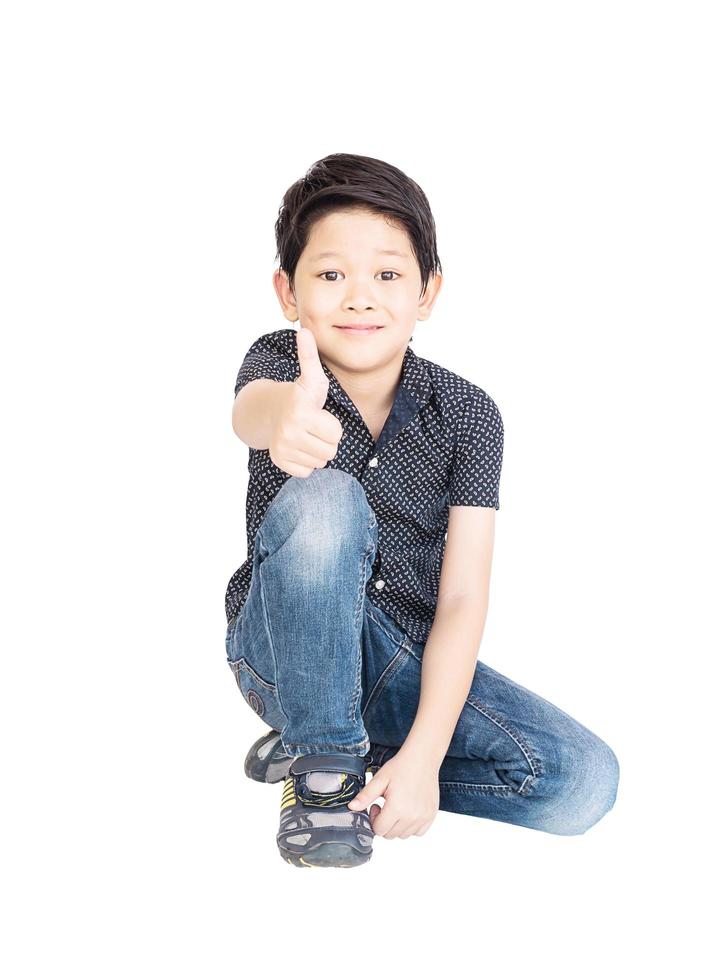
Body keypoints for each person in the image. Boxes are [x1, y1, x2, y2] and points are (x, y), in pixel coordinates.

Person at [225, 152, 619, 868]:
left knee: (583, 785)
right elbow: (252, 413)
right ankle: (323, 773)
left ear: (428, 291)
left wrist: (426, 759)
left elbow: (464, 596)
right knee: (324, 498)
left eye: (387, 275)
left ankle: (342, 745)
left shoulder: (469, 415)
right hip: (279, 648)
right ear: (288, 292)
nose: (360, 298)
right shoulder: (280, 366)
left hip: (402, 658)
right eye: (330, 275)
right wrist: (285, 416)